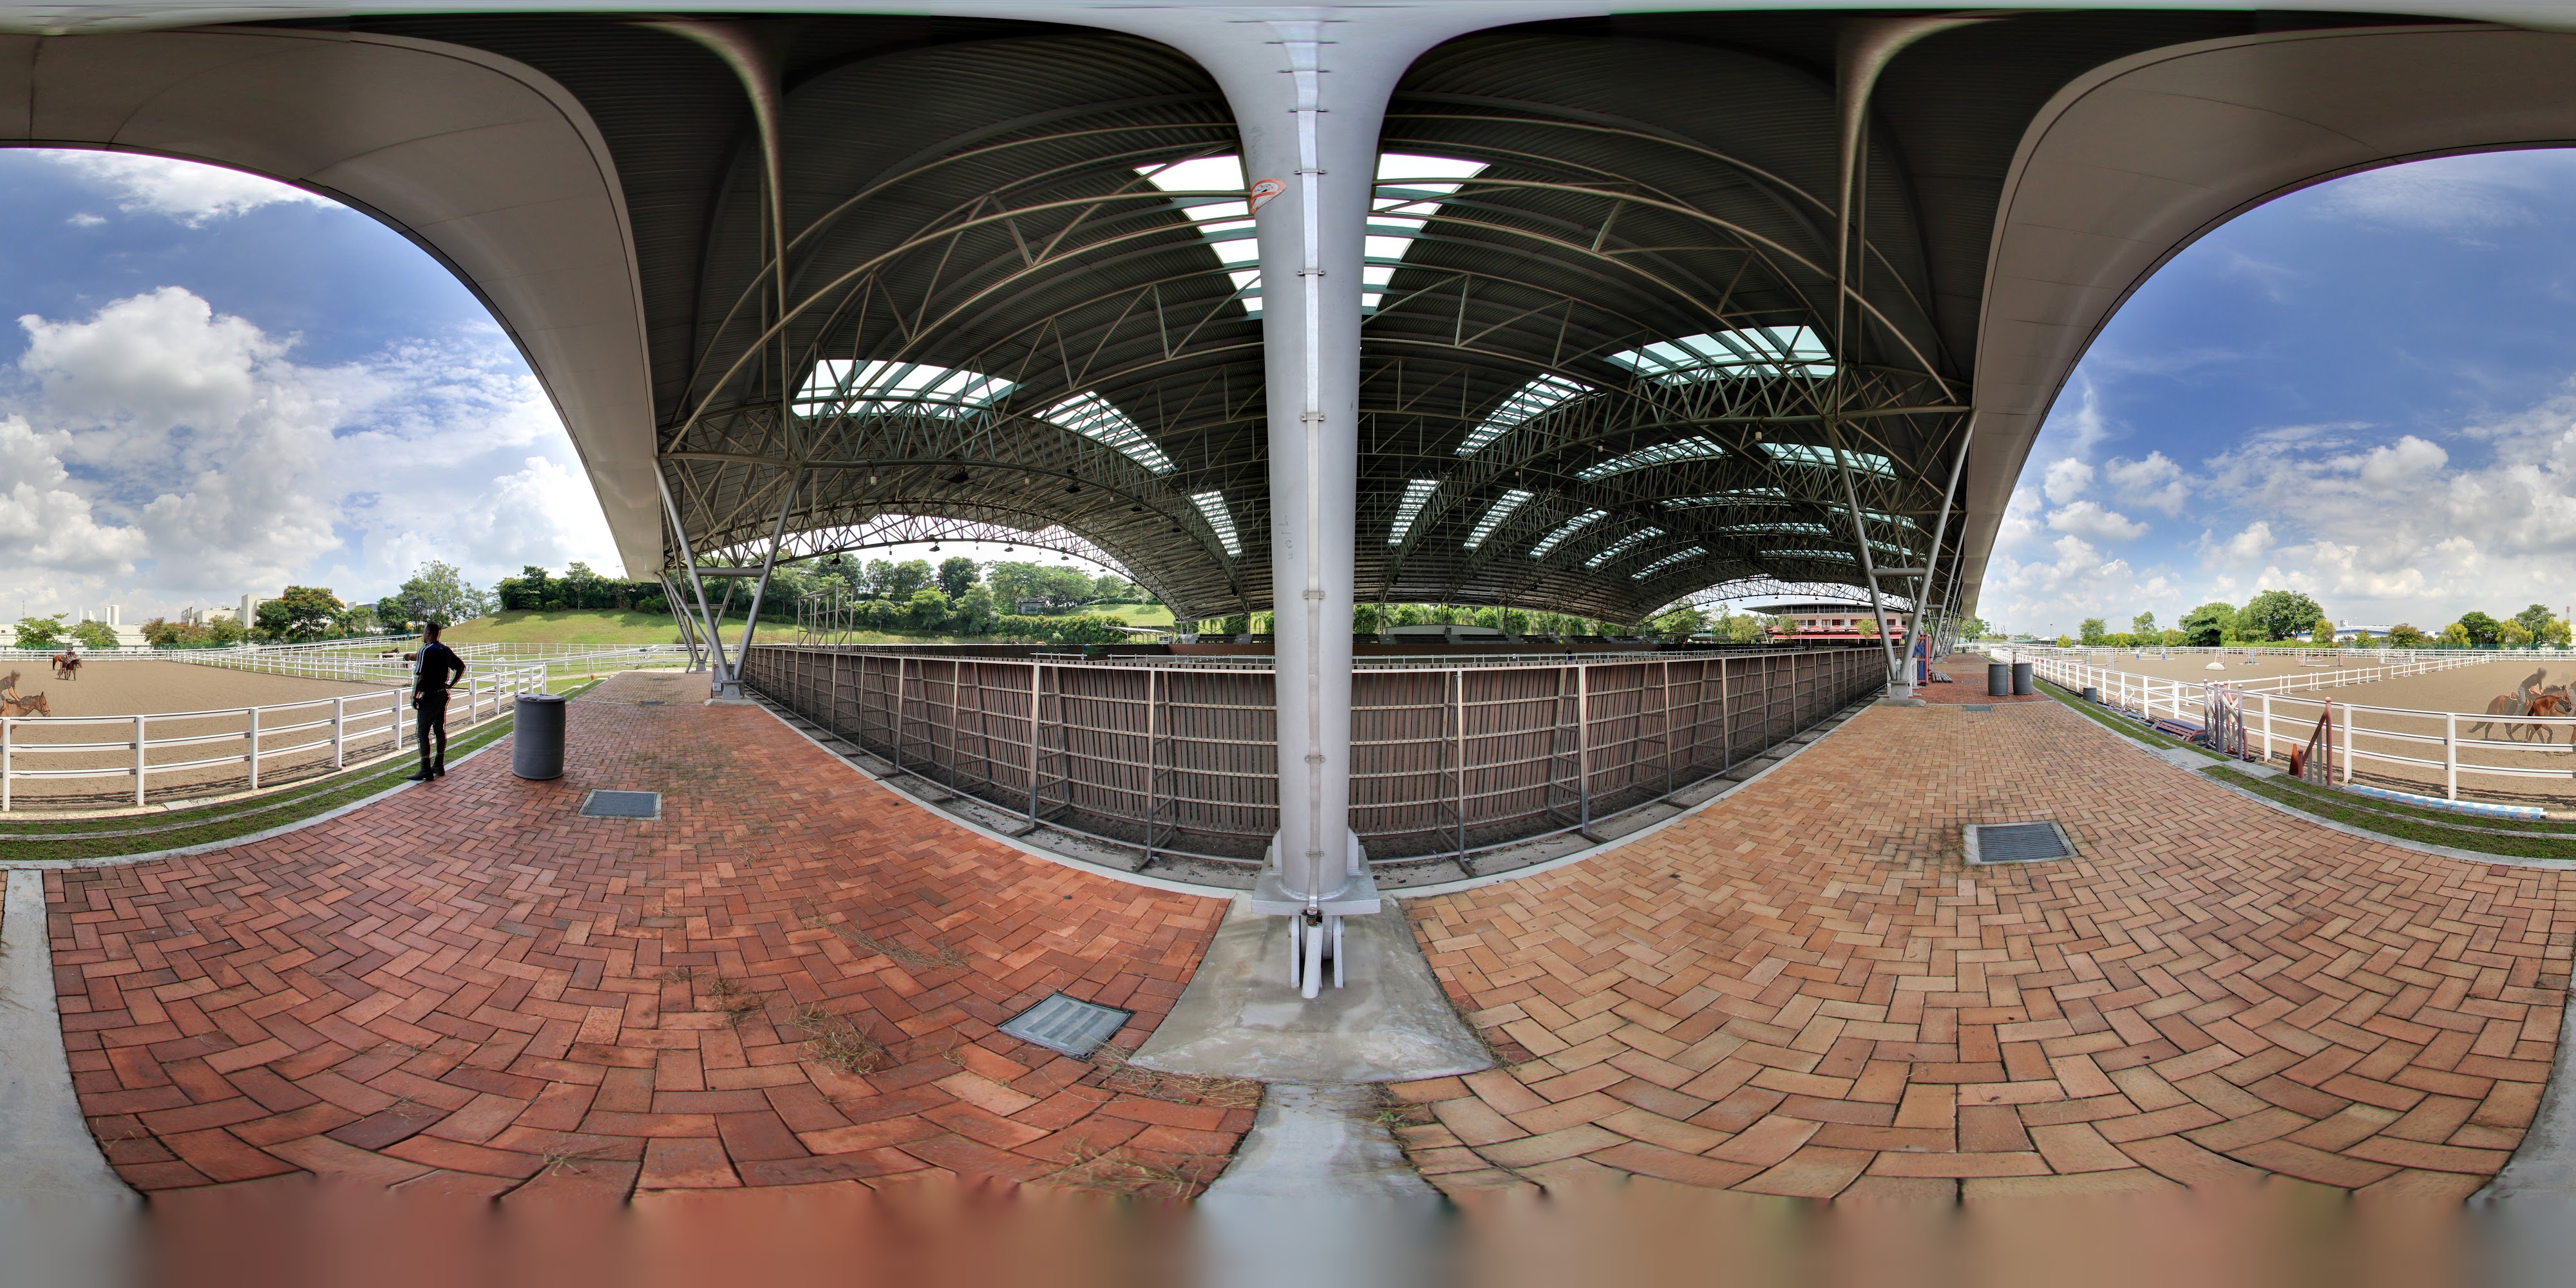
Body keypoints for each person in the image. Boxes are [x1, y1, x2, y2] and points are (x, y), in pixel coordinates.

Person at [404, 623, 466, 781]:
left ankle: (425, 768)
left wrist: (415, 696)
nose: (423, 635)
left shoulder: (425, 650)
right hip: (442, 695)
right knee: (439, 730)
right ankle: (439, 764)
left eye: (424, 632)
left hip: (430, 696)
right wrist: (451, 684)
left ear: (429, 632)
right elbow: (460, 667)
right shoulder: (444, 650)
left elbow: (421, 677)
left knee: (423, 731)